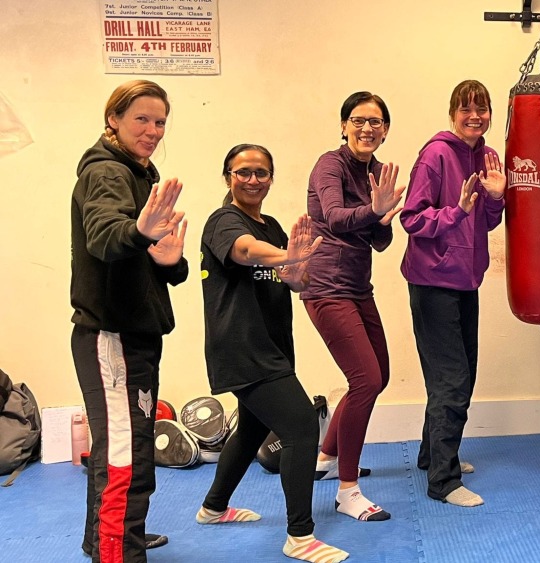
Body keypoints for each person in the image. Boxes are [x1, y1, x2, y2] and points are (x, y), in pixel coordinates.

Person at [196, 144, 347, 563]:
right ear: (228, 175)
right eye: (243, 171)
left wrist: (296, 272)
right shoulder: (224, 221)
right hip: (243, 348)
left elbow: (291, 280)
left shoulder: (274, 226)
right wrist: (286, 256)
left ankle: (213, 507)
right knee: (300, 428)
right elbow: (244, 251)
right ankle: (300, 536)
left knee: (251, 431)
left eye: (262, 173)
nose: (253, 180)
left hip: (272, 345)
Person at [71, 79, 186, 562]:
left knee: (128, 449)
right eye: (142, 118)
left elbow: (151, 262)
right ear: (113, 118)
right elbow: (104, 234)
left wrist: (170, 262)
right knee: (125, 458)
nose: (154, 130)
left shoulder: (140, 174)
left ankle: (111, 540)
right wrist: (137, 230)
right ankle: (119, 551)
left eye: (160, 121)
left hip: (135, 334)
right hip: (110, 336)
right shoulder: (106, 174)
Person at [400, 79, 506, 507]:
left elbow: (488, 223)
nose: (475, 116)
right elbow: (411, 218)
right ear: (452, 114)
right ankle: (443, 482)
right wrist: (456, 211)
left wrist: (497, 198)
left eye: (482, 108)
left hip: (467, 279)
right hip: (432, 281)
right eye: (466, 109)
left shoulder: (486, 157)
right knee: (453, 380)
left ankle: (433, 455)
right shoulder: (435, 154)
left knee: (456, 375)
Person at [303, 92, 405, 522]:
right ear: (344, 125)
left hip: (358, 286)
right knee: (364, 380)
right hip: (325, 286)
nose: (368, 129)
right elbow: (335, 215)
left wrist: (383, 219)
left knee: (376, 377)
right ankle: (348, 491)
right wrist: (373, 211)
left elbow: (380, 242)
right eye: (359, 120)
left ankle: (326, 458)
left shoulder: (379, 172)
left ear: (385, 130)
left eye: (377, 122)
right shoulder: (331, 164)